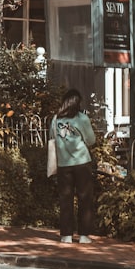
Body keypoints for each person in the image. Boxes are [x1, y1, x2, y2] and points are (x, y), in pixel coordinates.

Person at [51, 88, 97, 243]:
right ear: (77, 103)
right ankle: (84, 235)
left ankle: (66, 235)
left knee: (65, 199)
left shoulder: (56, 119)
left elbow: (52, 138)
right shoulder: (82, 118)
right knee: (85, 198)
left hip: (63, 164)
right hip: (82, 162)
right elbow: (91, 140)